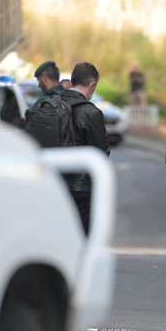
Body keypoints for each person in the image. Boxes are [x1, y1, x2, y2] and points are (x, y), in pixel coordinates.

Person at [59, 62, 111, 235]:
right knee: (82, 237)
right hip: (81, 189)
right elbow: (101, 154)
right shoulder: (92, 113)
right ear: (92, 85)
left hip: (55, 184)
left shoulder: (52, 106)